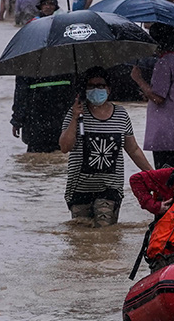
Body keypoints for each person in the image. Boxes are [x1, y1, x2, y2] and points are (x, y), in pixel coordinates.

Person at [59, 67, 153, 226]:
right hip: (79, 188)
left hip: (110, 188)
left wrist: (152, 175)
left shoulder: (120, 114)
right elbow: (65, 146)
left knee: (106, 234)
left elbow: (133, 149)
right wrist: (75, 117)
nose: (96, 89)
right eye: (91, 86)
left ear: (108, 89)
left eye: (101, 85)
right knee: (82, 241)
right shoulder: (76, 113)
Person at [10, 0, 71, 153]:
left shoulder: (66, 54)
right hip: (37, 114)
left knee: (54, 154)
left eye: (51, 4)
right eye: (45, 4)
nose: (48, 7)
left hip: (56, 112)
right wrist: (17, 119)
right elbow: (21, 89)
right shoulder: (33, 54)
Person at [131, 22, 174, 169]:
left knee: (164, 179)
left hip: (164, 134)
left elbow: (158, 97)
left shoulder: (163, 63)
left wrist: (138, 79)